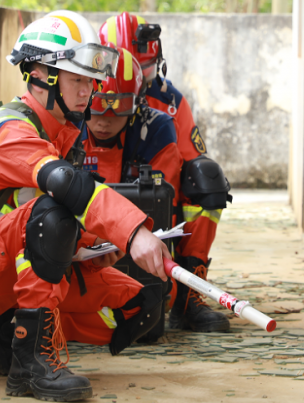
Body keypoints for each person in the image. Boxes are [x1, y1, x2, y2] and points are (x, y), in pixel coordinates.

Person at [0, 10, 170, 402]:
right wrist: (133, 233)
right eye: (78, 80)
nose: (87, 92)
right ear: (41, 76)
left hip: (4, 267)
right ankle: (31, 366)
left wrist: (93, 247)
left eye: (90, 82)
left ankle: (1, 333)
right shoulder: (8, 130)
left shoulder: (58, 130)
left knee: (143, 304)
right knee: (55, 215)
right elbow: (65, 188)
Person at [82, 47, 231, 333]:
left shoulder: (159, 125)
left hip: (143, 238)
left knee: (206, 180)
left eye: (119, 106)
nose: (104, 119)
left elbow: (163, 209)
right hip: (81, 244)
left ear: (137, 102)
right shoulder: (68, 125)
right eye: (97, 105)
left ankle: (189, 297)